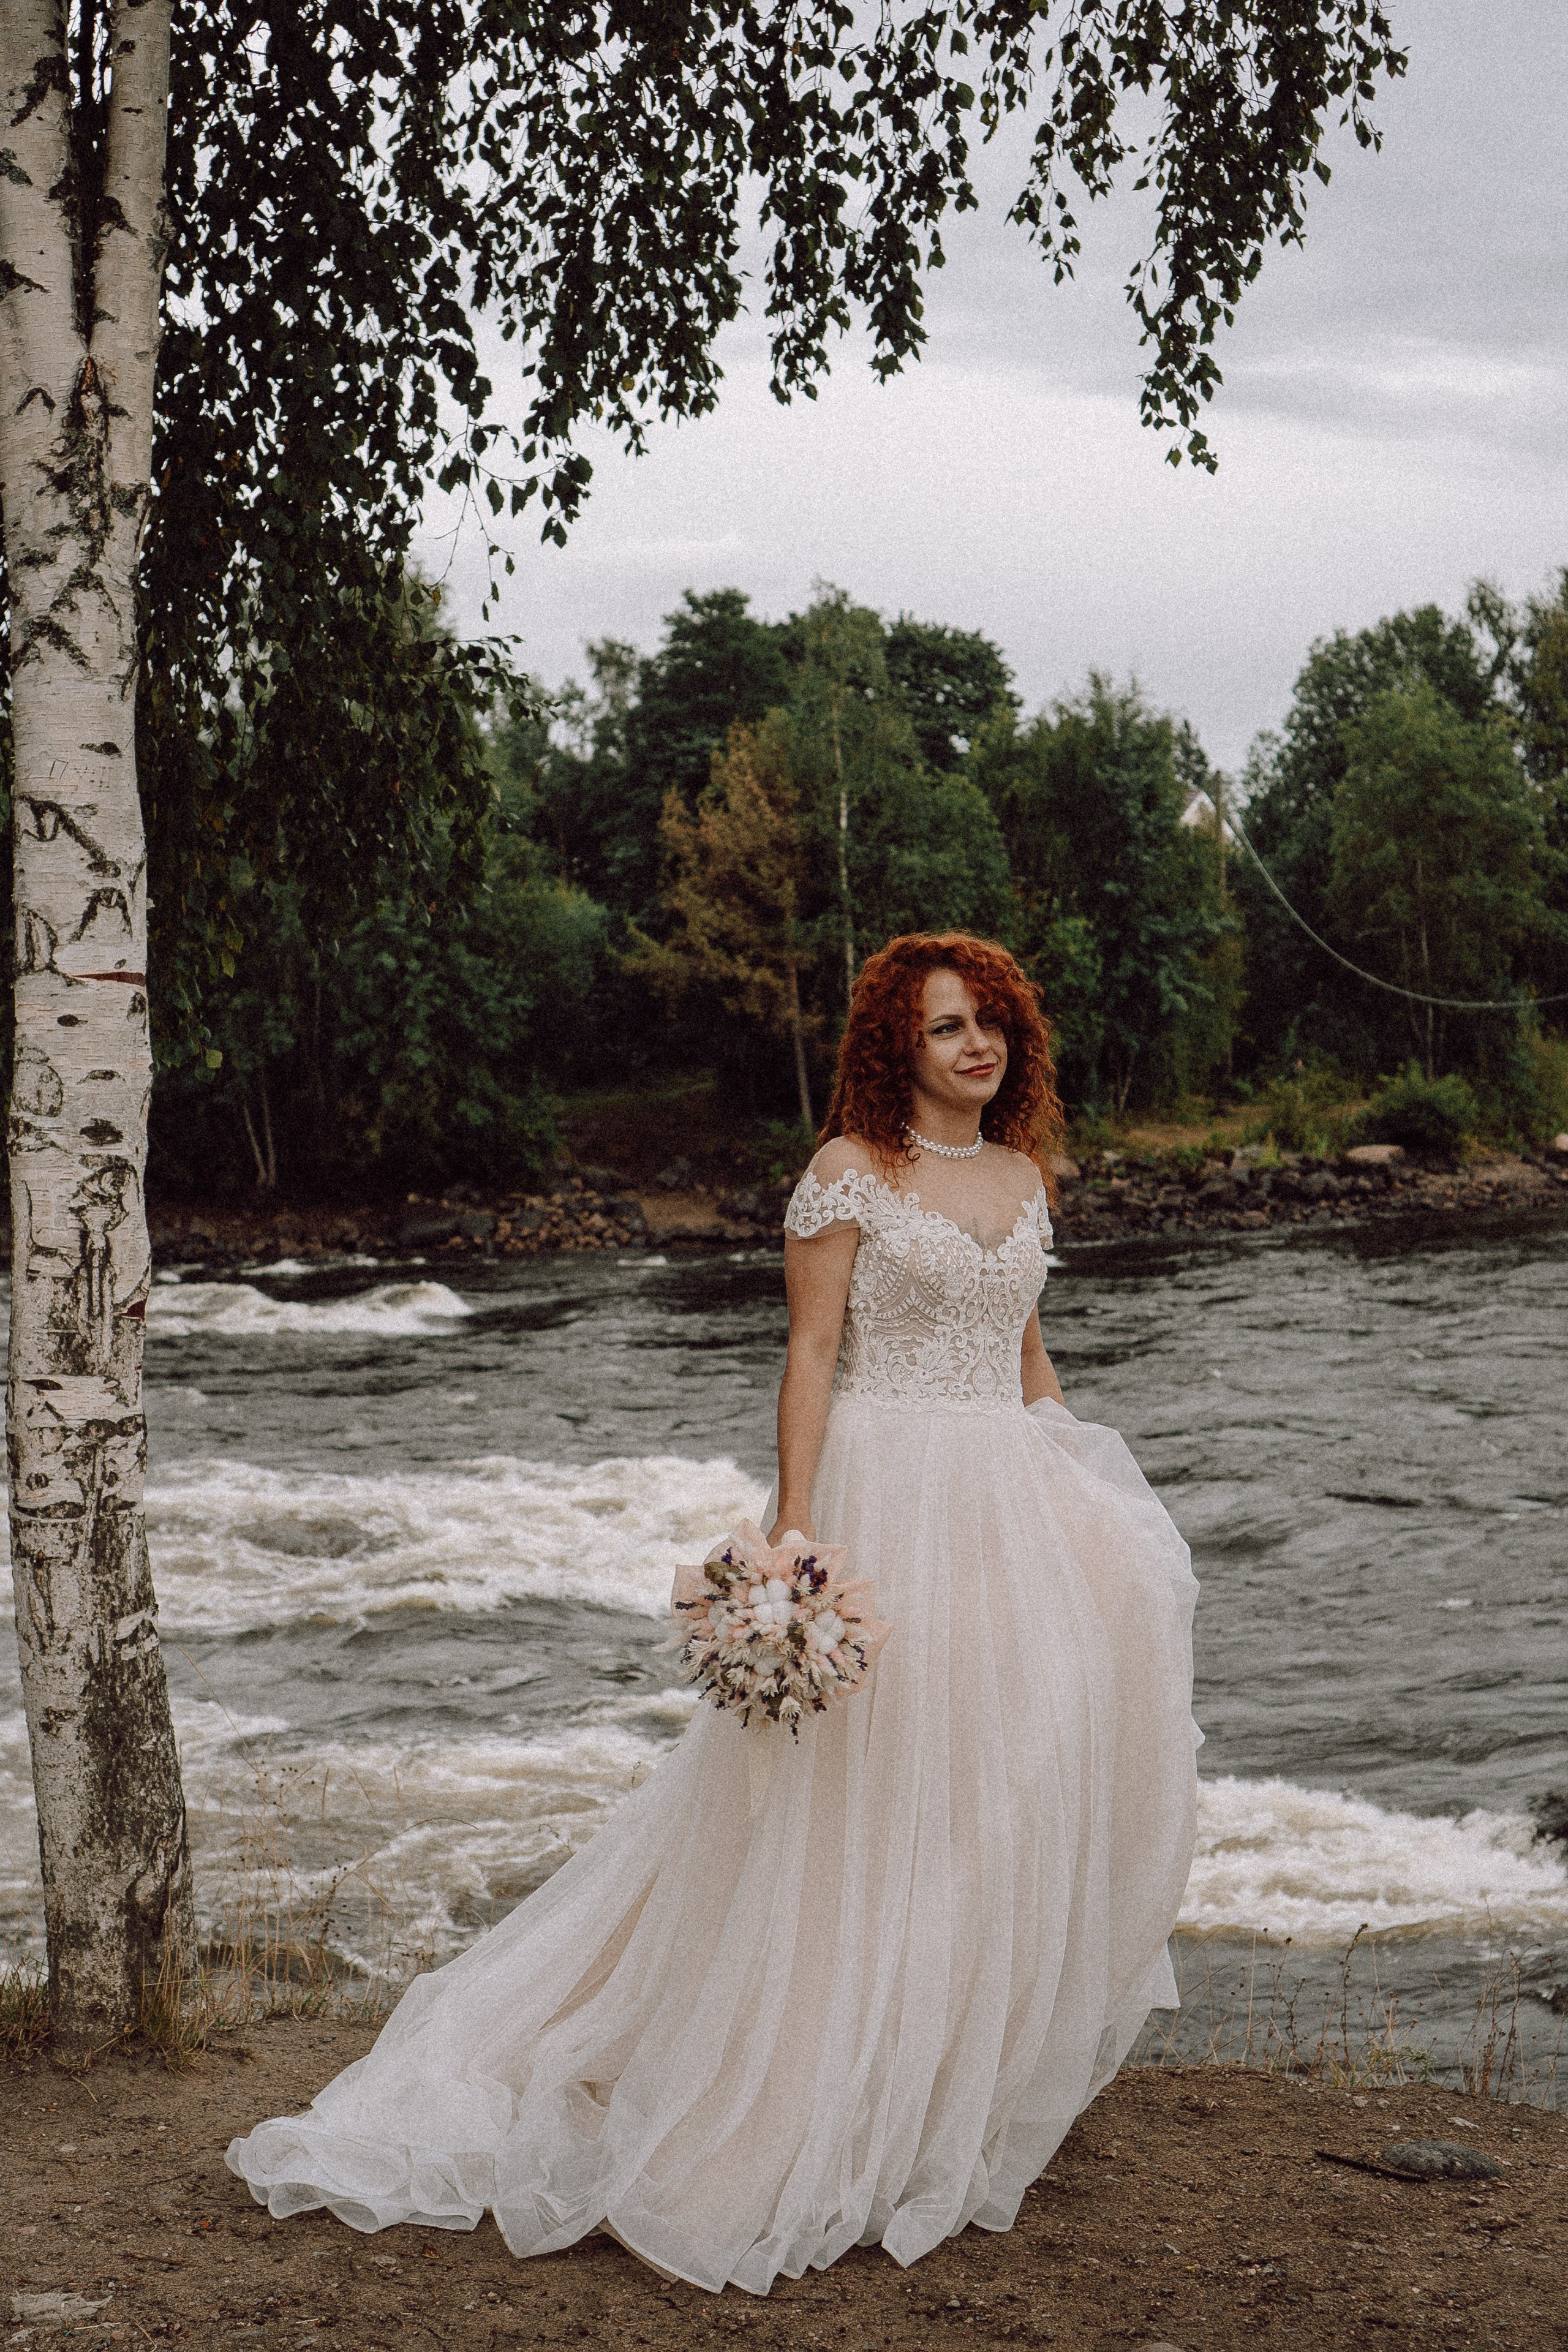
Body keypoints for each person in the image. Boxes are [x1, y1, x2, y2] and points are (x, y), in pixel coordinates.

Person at [227, 930, 1199, 2296]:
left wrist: (1090, 1495)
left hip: (1005, 1499)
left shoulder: (1026, 1174)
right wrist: (793, 1539)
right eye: (942, 1028)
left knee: (1000, 1777)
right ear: (895, 1048)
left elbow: (1026, 1351)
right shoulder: (848, 1175)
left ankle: (935, 2081)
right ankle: (796, 2087)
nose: (972, 1045)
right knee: (861, 1791)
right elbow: (809, 1353)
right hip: (888, 1485)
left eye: (988, 1023)